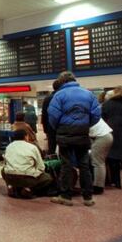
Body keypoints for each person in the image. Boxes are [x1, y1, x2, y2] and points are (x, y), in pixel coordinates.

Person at [48, 71, 100, 206]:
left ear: (62, 81)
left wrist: (58, 128)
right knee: (84, 165)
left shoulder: (59, 95)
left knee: (66, 165)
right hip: (82, 133)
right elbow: (96, 115)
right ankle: (88, 197)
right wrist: (85, 124)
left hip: (64, 133)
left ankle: (65, 196)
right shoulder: (88, 94)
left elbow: (52, 116)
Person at [2, 130, 53, 198]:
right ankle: (29, 189)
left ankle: (11, 186)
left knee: (3, 170)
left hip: (10, 177)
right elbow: (41, 167)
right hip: (27, 179)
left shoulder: (9, 146)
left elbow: (6, 163)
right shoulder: (32, 147)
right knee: (48, 178)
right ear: (26, 137)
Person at [102, 86, 122, 189]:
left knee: (114, 158)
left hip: (112, 131)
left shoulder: (107, 104)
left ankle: (116, 182)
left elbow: (102, 118)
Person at [89, 118, 113, 194]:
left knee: (98, 163)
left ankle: (98, 187)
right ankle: (101, 183)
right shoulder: (90, 111)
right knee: (99, 162)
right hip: (105, 135)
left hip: (102, 137)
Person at [41, 80, 60, 154]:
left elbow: (44, 114)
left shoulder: (47, 98)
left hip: (50, 127)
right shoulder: (66, 96)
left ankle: (52, 162)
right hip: (63, 127)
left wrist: (46, 130)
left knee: (52, 147)